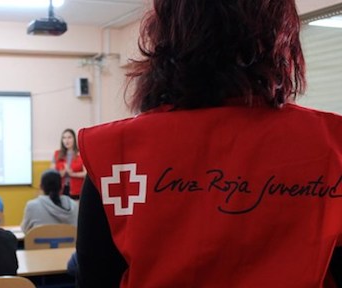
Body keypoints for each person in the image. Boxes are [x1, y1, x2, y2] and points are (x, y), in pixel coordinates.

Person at [76, 1, 342, 287]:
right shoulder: (332, 144)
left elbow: (96, 279)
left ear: (165, 38)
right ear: (281, 37)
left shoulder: (115, 153)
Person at [51, 128, 86, 199]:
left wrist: (73, 174)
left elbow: (86, 173)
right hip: (61, 190)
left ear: (74, 139)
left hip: (77, 191)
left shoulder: (81, 153)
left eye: (69, 137)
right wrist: (60, 173)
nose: (66, 140)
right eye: (64, 138)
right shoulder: (57, 154)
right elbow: (51, 173)